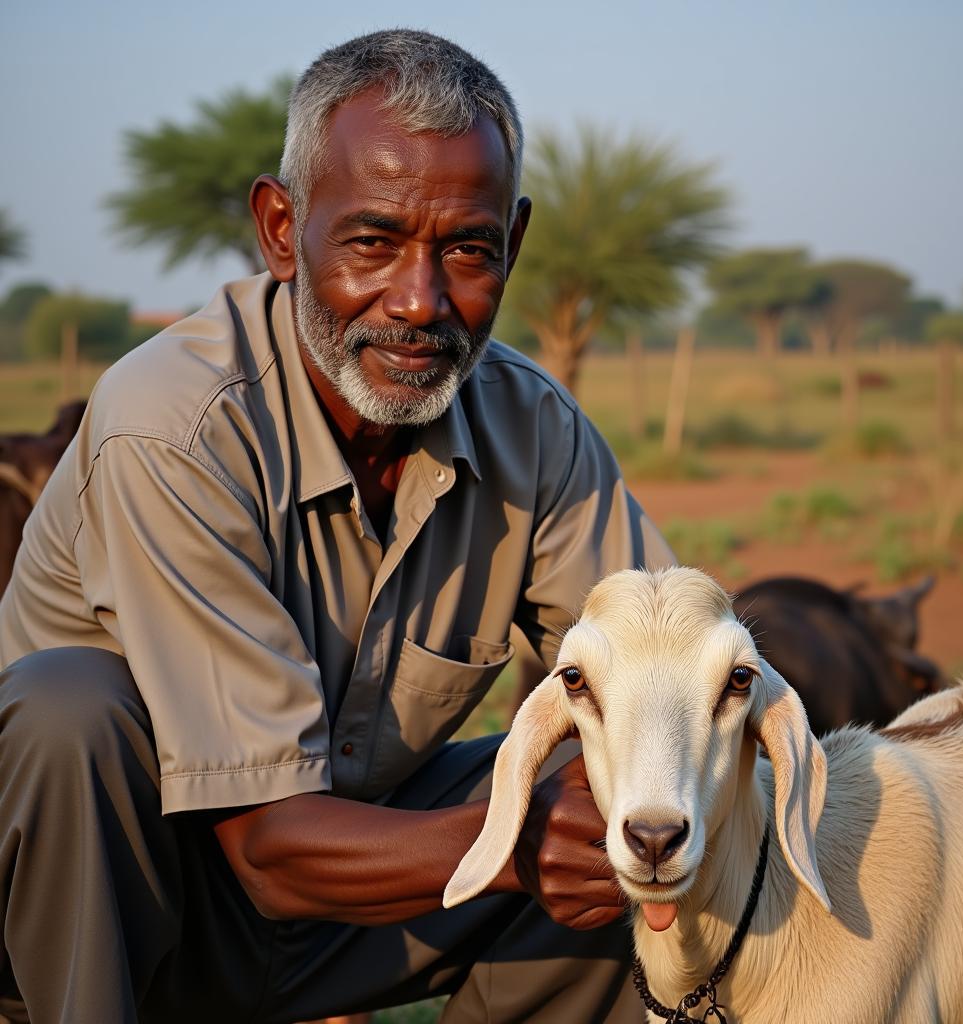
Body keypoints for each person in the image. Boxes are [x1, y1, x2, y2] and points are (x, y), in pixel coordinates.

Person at [0, 29, 673, 1024]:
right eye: (372, 241)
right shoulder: (174, 422)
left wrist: (615, 803)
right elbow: (268, 848)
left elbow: (669, 674)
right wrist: (521, 844)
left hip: (349, 899)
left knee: (640, 795)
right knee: (70, 707)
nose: (420, 301)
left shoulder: (534, 428)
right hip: (122, 911)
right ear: (281, 227)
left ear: (513, 243)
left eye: (467, 251)